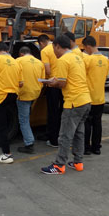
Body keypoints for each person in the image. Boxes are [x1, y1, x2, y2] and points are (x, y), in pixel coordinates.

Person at [41, 35, 91, 175]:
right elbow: (71, 77)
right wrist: (56, 79)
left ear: (57, 46)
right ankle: (78, 162)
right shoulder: (77, 57)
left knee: (65, 135)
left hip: (73, 102)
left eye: (53, 49)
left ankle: (59, 165)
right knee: (79, 134)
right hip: (85, 100)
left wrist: (51, 83)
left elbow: (62, 83)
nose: (53, 52)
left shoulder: (63, 60)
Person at [0, 42, 23, 164]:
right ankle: (6, 151)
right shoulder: (16, 62)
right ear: (7, 50)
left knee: (1, 126)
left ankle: (6, 154)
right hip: (13, 95)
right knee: (7, 122)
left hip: (0, 96)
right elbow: (21, 83)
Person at [82, 36, 109, 155]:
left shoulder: (87, 60)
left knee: (87, 123)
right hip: (100, 97)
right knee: (97, 123)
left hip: (88, 97)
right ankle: (96, 147)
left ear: (88, 46)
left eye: (84, 48)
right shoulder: (106, 60)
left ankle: (86, 148)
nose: (84, 51)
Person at [15, 46, 45, 154]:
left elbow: (15, 77)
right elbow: (42, 80)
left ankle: (29, 143)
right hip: (35, 93)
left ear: (21, 54)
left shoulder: (18, 61)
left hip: (23, 93)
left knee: (23, 120)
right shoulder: (39, 63)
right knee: (26, 115)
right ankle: (28, 138)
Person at [37, 34, 62, 147]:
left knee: (52, 112)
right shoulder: (60, 48)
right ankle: (57, 135)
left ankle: (53, 138)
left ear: (41, 43)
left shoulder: (45, 51)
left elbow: (47, 70)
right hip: (63, 83)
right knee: (61, 111)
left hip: (52, 85)